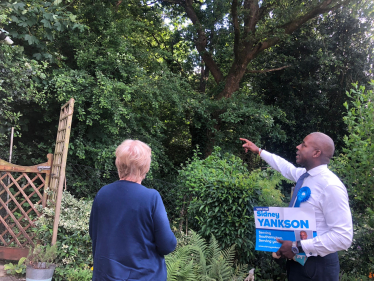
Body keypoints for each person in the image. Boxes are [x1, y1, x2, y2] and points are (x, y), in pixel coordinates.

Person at [240, 132, 353, 281]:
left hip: (318, 267)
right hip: (297, 262)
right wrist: (259, 151)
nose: (298, 147)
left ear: (316, 153)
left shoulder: (330, 186)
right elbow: (285, 167)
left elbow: (343, 237)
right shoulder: (304, 176)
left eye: (304, 145)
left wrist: (297, 245)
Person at [89, 139, 177, 281]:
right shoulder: (151, 197)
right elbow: (167, 245)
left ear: (119, 164)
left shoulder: (102, 194)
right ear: (145, 167)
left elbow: (94, 234)